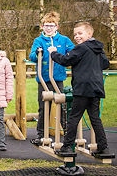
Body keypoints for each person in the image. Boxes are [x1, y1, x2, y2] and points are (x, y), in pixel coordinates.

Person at [49, 22, 111, 156]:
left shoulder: (81, 48)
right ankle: (103, 147)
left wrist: (53, 53)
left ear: (89, 34)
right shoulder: (98, 49)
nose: (76, 36)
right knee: (95, 118)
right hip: (96, 88)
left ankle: (67, 146)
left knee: (74, 117)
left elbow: (66, 60)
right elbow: (105, 64)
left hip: (82, 87)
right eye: (75, 34)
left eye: (80, 33)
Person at [28, 11, 74, 144]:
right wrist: (37, 53)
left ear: (57, 27)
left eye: (51, 25)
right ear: (42, 26)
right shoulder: (39, 40)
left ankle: (68, 133)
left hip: (58, 78)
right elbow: (32, 56)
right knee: (43, 107)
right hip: (43, 80)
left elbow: (73, 52)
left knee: (62, 106)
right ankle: (41, 134)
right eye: (46, 25)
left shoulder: (64, 40)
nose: (49, 28)